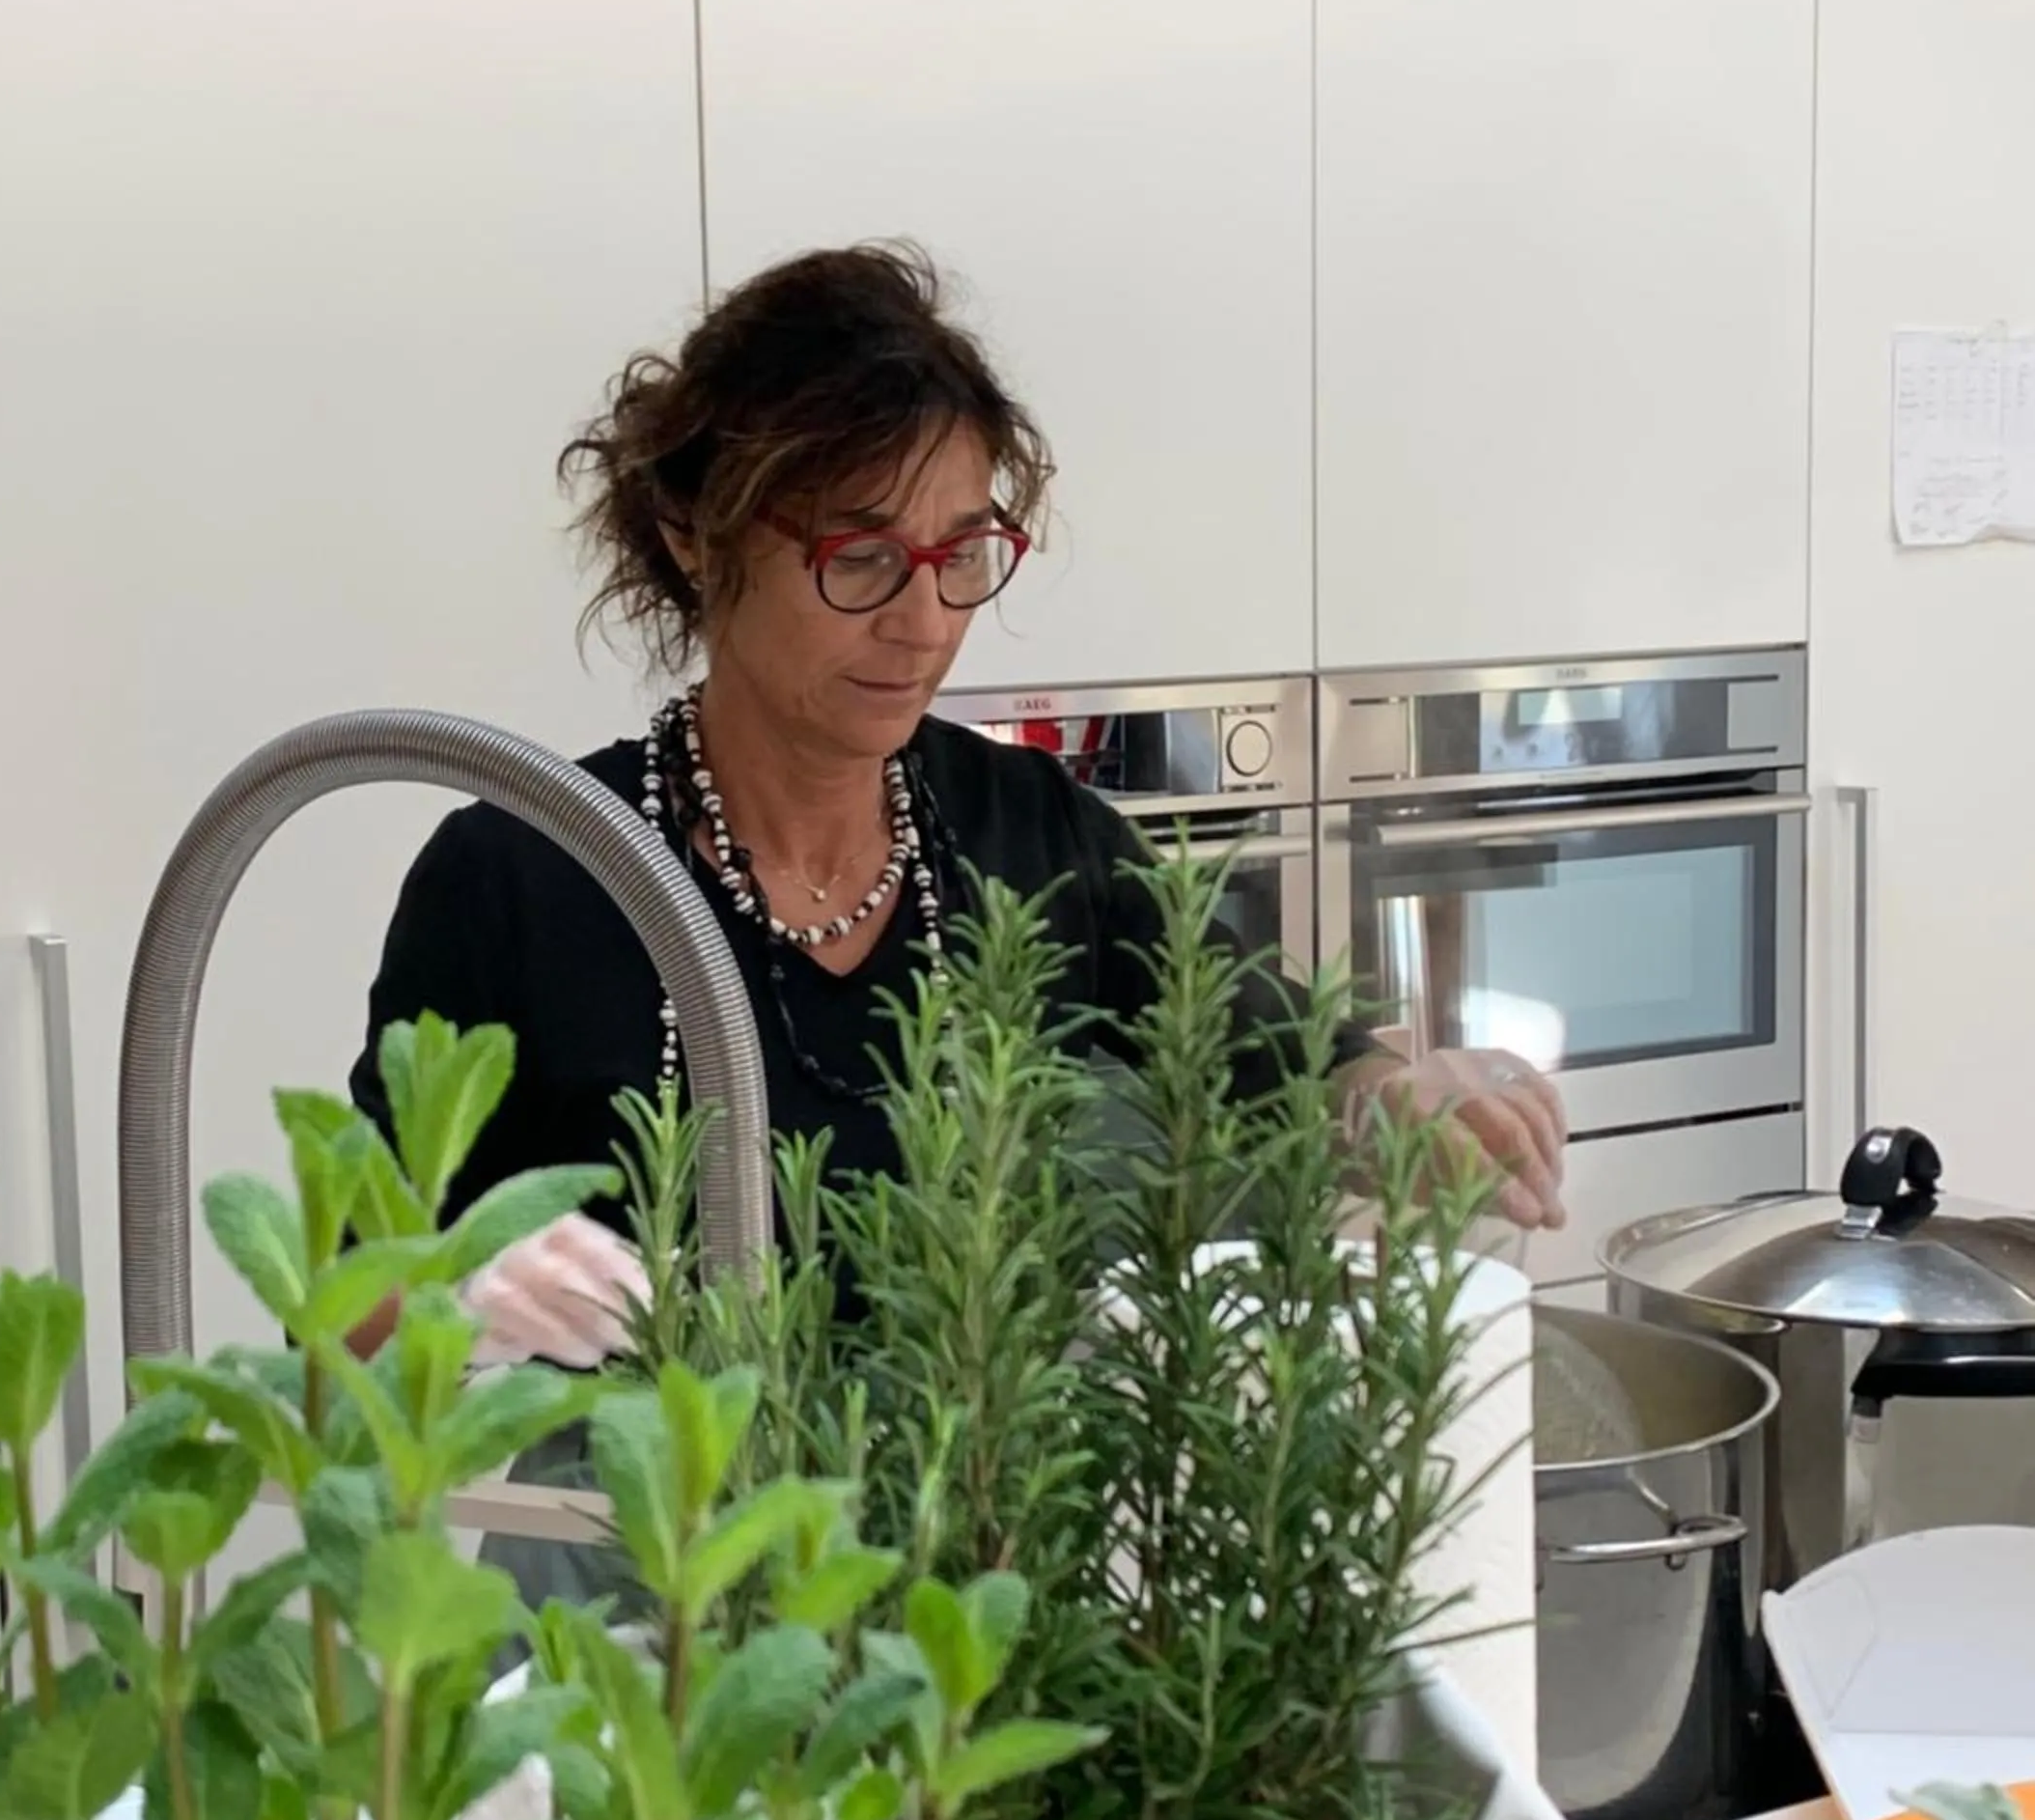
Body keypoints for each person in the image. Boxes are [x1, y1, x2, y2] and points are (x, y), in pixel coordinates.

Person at [351, 242, 1566, 1384]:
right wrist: (456, 1293)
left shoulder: (1030, 834)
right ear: (692, 540)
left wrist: (1410, 1101)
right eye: (860, 557)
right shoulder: (526, 875)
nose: (924, 621)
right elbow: (343, 1330)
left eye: (964, 552)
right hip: (652, 1587)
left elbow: (1295, 1077)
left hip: (980, 1572)